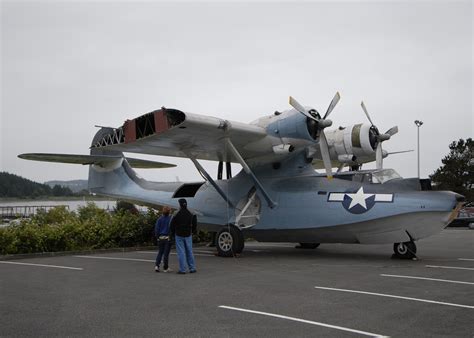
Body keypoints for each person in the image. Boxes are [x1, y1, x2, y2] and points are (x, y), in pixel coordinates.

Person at [170, 198, 197, 274]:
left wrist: (172, 233)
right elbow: (195, 222)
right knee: (189, 251)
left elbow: (171, 225)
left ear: (180, 204)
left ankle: (182, 269)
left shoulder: (176, 213)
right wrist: (193, 230)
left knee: (181, 252)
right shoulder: (191, 212)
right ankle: (192, 268)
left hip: (179, 234)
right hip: (188, 233)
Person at [154, 206, 172, 272]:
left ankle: (157, 266)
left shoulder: (159, 219)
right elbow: (171, 229)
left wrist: (157, 237)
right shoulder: (170, 219)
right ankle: (165, 267)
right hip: (167, 238)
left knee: (160, 252)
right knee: (166, 254)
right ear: (169, 211)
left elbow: (156, 229)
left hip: (160, 238)